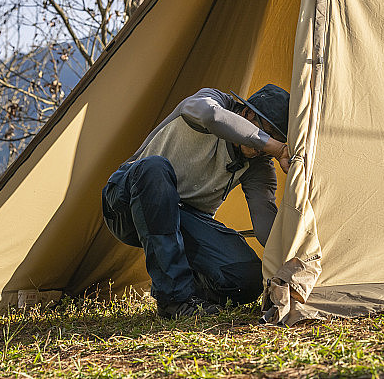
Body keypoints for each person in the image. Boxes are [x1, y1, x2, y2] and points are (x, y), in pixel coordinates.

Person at [101, 85, 291, 318]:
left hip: (184, 219)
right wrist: (275, 147)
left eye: (275, 140)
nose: (263, 148)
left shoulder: (258, 166)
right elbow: (210, 116)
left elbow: (266, 227)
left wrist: (297, 264)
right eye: (266, 134)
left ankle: (191, 295)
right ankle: (173, 300)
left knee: (247, 278)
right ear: (248, 114)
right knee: (154, 168)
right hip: (127, 200)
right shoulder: (213, 101)